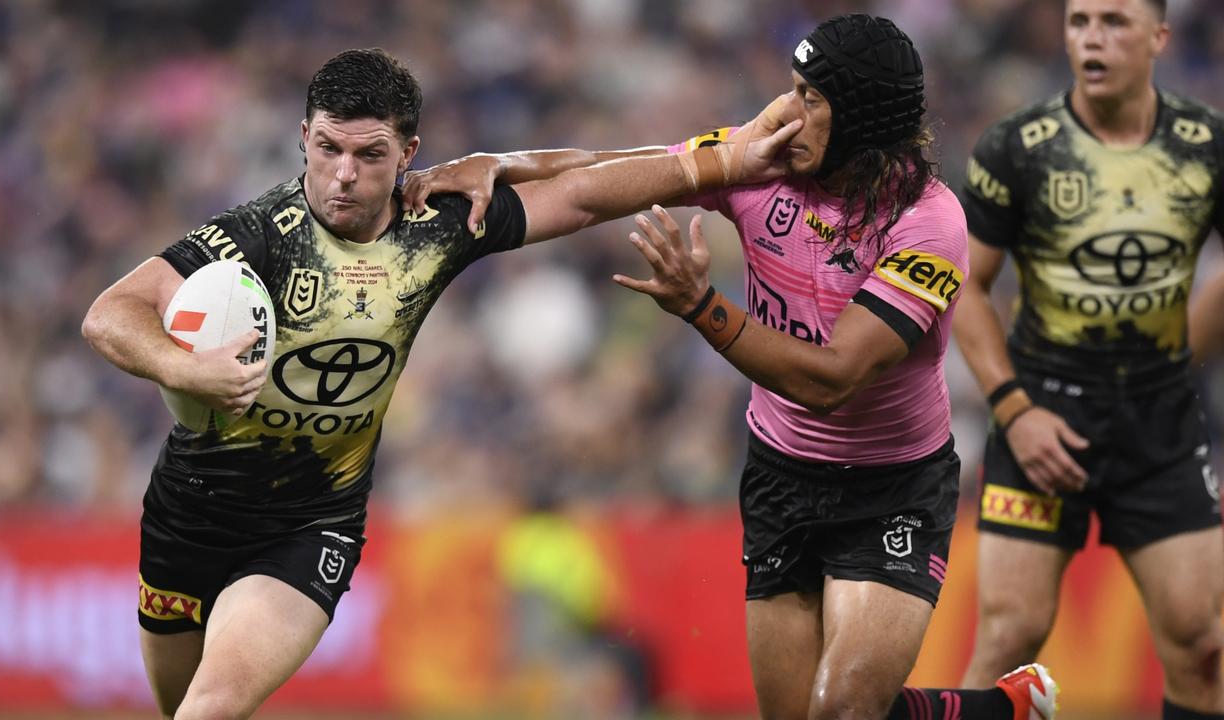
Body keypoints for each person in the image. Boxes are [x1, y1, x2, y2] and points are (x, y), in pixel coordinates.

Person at [81, 46, 814, 720]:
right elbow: (109, 313)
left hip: (310, 524)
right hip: (187, 514)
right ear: (303, 136)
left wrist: (728, 157)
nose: (344, 174)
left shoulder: (437, 223)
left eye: (371, 155)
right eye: (328, 148)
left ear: (409, 152)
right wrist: (187, 369)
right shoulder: (256, 235)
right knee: (180, 708)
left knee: (208, 710)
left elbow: (587, 190)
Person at [406, 14, 1058, 720]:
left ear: (863, 119)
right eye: (792, 88)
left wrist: (701, 306)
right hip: (781, 475)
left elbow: (830, 380)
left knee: (841, 711)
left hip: (892, 484)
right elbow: (605, 175)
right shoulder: (759, 160)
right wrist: (498, 164)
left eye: (811, 98)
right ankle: (1000, 711)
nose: (784, 111)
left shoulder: (929, 224)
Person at [953, 0, 1224, 717]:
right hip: (1041, 412)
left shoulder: (1207, 145)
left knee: (1203, 645)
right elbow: (965, 289)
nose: (1091, 39)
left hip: (1161, 426)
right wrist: (1015, 412)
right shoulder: (1017, 147)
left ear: (1160, 36)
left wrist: (1179, 358)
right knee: (1011, 635)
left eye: (1113, 22)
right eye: (1079, 23)